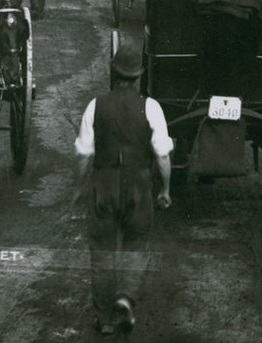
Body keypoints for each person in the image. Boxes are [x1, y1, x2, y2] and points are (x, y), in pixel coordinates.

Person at [74, 43, 172, 336]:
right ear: (139, 77)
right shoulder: (151, 107)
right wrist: (165, 189)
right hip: (138, 185)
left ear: (114, 74)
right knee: (136, 244)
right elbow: (163, 156)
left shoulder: (95, 105)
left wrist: (80, 188)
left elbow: (83, 155)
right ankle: (125, 297)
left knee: (102, 252)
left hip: (103, 184)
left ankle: (104, 319)